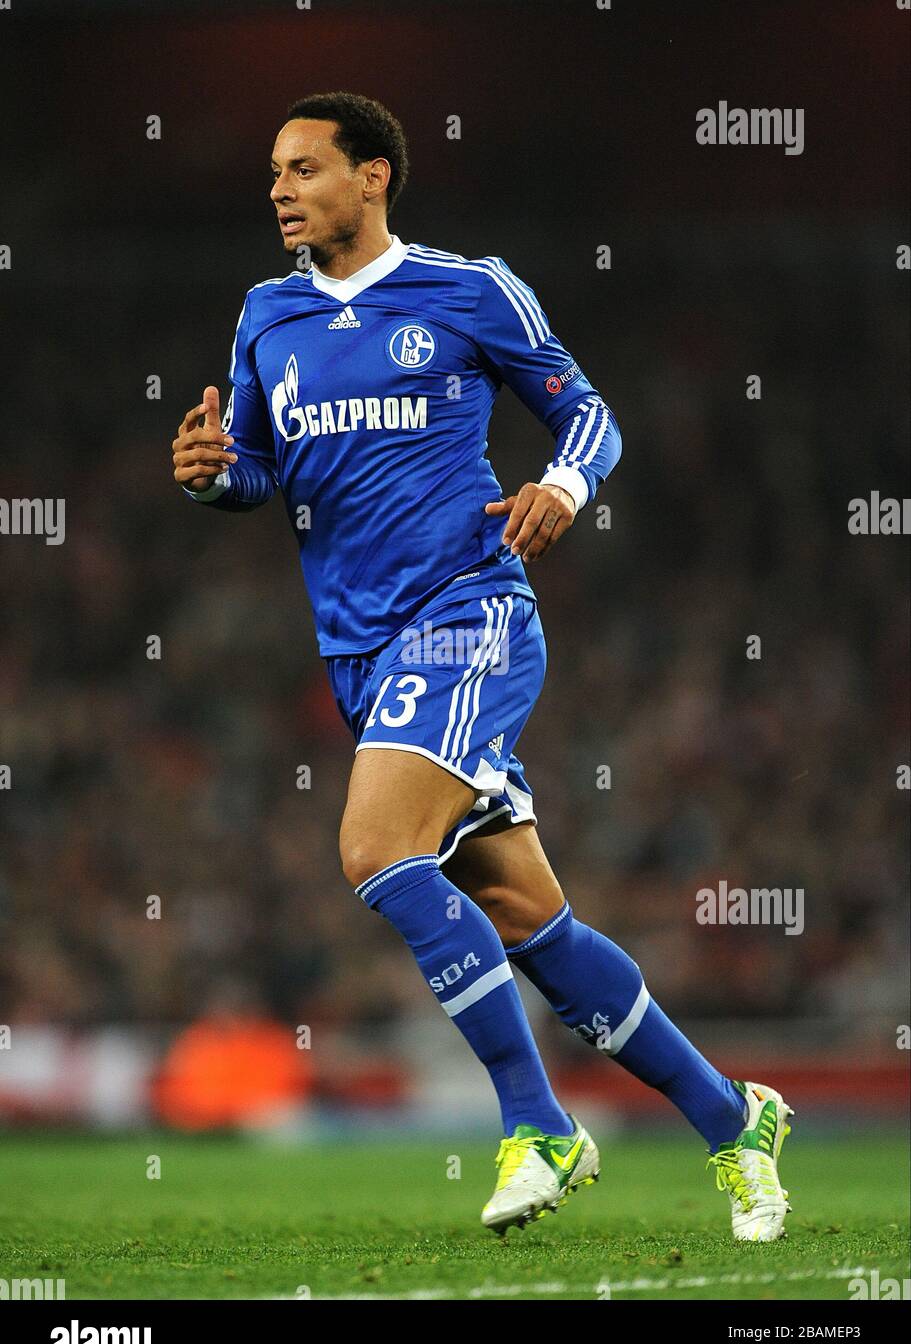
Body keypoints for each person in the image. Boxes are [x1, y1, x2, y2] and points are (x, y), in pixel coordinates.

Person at [172, 91, 792, 1238]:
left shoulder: (468, 289)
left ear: (372, 177)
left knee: (372, 846)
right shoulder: (265, 316)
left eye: (302, 168)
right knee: (527, 922)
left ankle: (538, 1123)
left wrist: (562, 485)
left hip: (468, 615)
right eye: (271, 172)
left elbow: (586, 411)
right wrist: (214, 472)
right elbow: (260, 471)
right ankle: (731, 1119)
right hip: (359, 653)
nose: (277, 190)